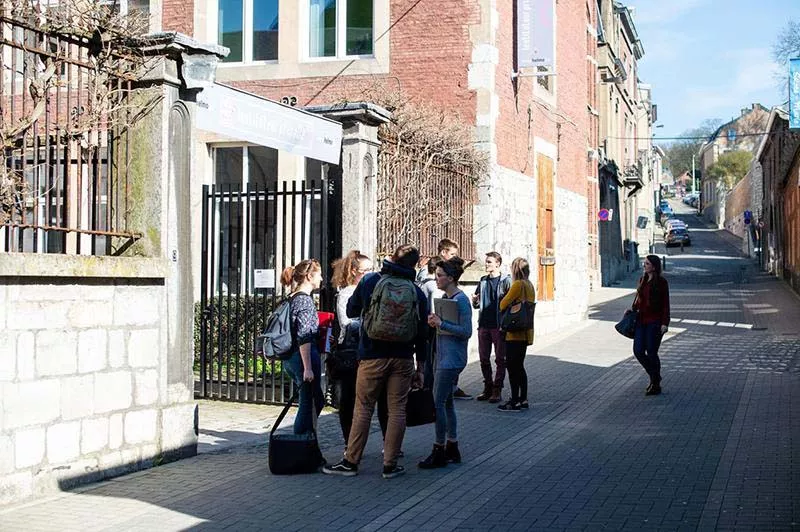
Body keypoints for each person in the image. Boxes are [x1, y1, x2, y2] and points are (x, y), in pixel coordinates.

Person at [323, 244, 429, 479]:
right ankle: (390, 464)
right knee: (397, 410)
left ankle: (351, 462)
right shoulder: (417, 291)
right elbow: (423, 333)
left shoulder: (371, 281)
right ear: (414, 264)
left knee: (363, 408)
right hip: (402, 358)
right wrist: (421, 366)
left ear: (391, 258)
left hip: (371, 355)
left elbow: (351, 311)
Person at [418, 257, 472, 469]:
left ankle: (439, 448)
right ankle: (452, 445)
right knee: (447, 403)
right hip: (442, 357)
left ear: (451, 278)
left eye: (440, 276)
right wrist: (435, 323)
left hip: (450, 360)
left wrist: (442, 323)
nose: (436, 279)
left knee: (438, 403)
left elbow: (465, 331)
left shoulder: (461, 300)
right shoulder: (446, 297)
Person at [330, 250, 373, 444]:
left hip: (366, 349)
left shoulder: (370, 290)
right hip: (349, 350)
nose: (370, 274)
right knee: (348, 399)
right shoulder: (346, 293)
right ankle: (350, 441)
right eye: (365, 271)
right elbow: (347, 323)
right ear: (354, 271)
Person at [280, 259, 325, 433]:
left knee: (314, 401)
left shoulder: (291, 298)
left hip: (291, 357)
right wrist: (308, 368)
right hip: (302, 357)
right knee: (309, 404)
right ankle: (301, 443)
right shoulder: (304, 301)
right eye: (319, 274)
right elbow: (304, 336)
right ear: (309, 276)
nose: (321, 278)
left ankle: (306, 443)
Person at [472, 251, 511, 403]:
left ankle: (497, 389)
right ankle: (487, 387)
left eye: (489, 262)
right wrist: (475, 301)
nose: (486, 264)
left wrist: (505, 324)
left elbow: (511, 305)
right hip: (483, 325)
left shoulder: (506, 281)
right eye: (486, 261)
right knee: (483, 359)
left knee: (500, 359)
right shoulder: (482, 281)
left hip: (498, 326)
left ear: (497, 264)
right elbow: (476, 304)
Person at [497, 258, 535, 413]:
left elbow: (503, 304)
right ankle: (523, 399)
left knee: (512, 368)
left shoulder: (518, 284)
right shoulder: (530, 285)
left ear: (515, 270)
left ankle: (514, 400)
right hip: (526, 332)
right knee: (520, 367)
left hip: (514, 333)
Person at [632, 255, 670, 395]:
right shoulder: (642, 280)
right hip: (641, 321)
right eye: (644, 263)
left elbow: (666, 304)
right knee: (638, 351)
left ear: (654, 266)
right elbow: (639, 300)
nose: (644, 265)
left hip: (655, 322)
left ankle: (655, 384)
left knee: (652, 352)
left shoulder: (661, 282)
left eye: (647, 263)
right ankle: (655, 376)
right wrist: (632, 309)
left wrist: (665, 323)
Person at [418, 256, 443, 389]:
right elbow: (434, 309)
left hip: (422, 323)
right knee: (432, 358)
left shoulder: (423, 282)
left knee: (426, 357)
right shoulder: (434, 286)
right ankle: (429, 386)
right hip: (431, 325)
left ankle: (425, 384)